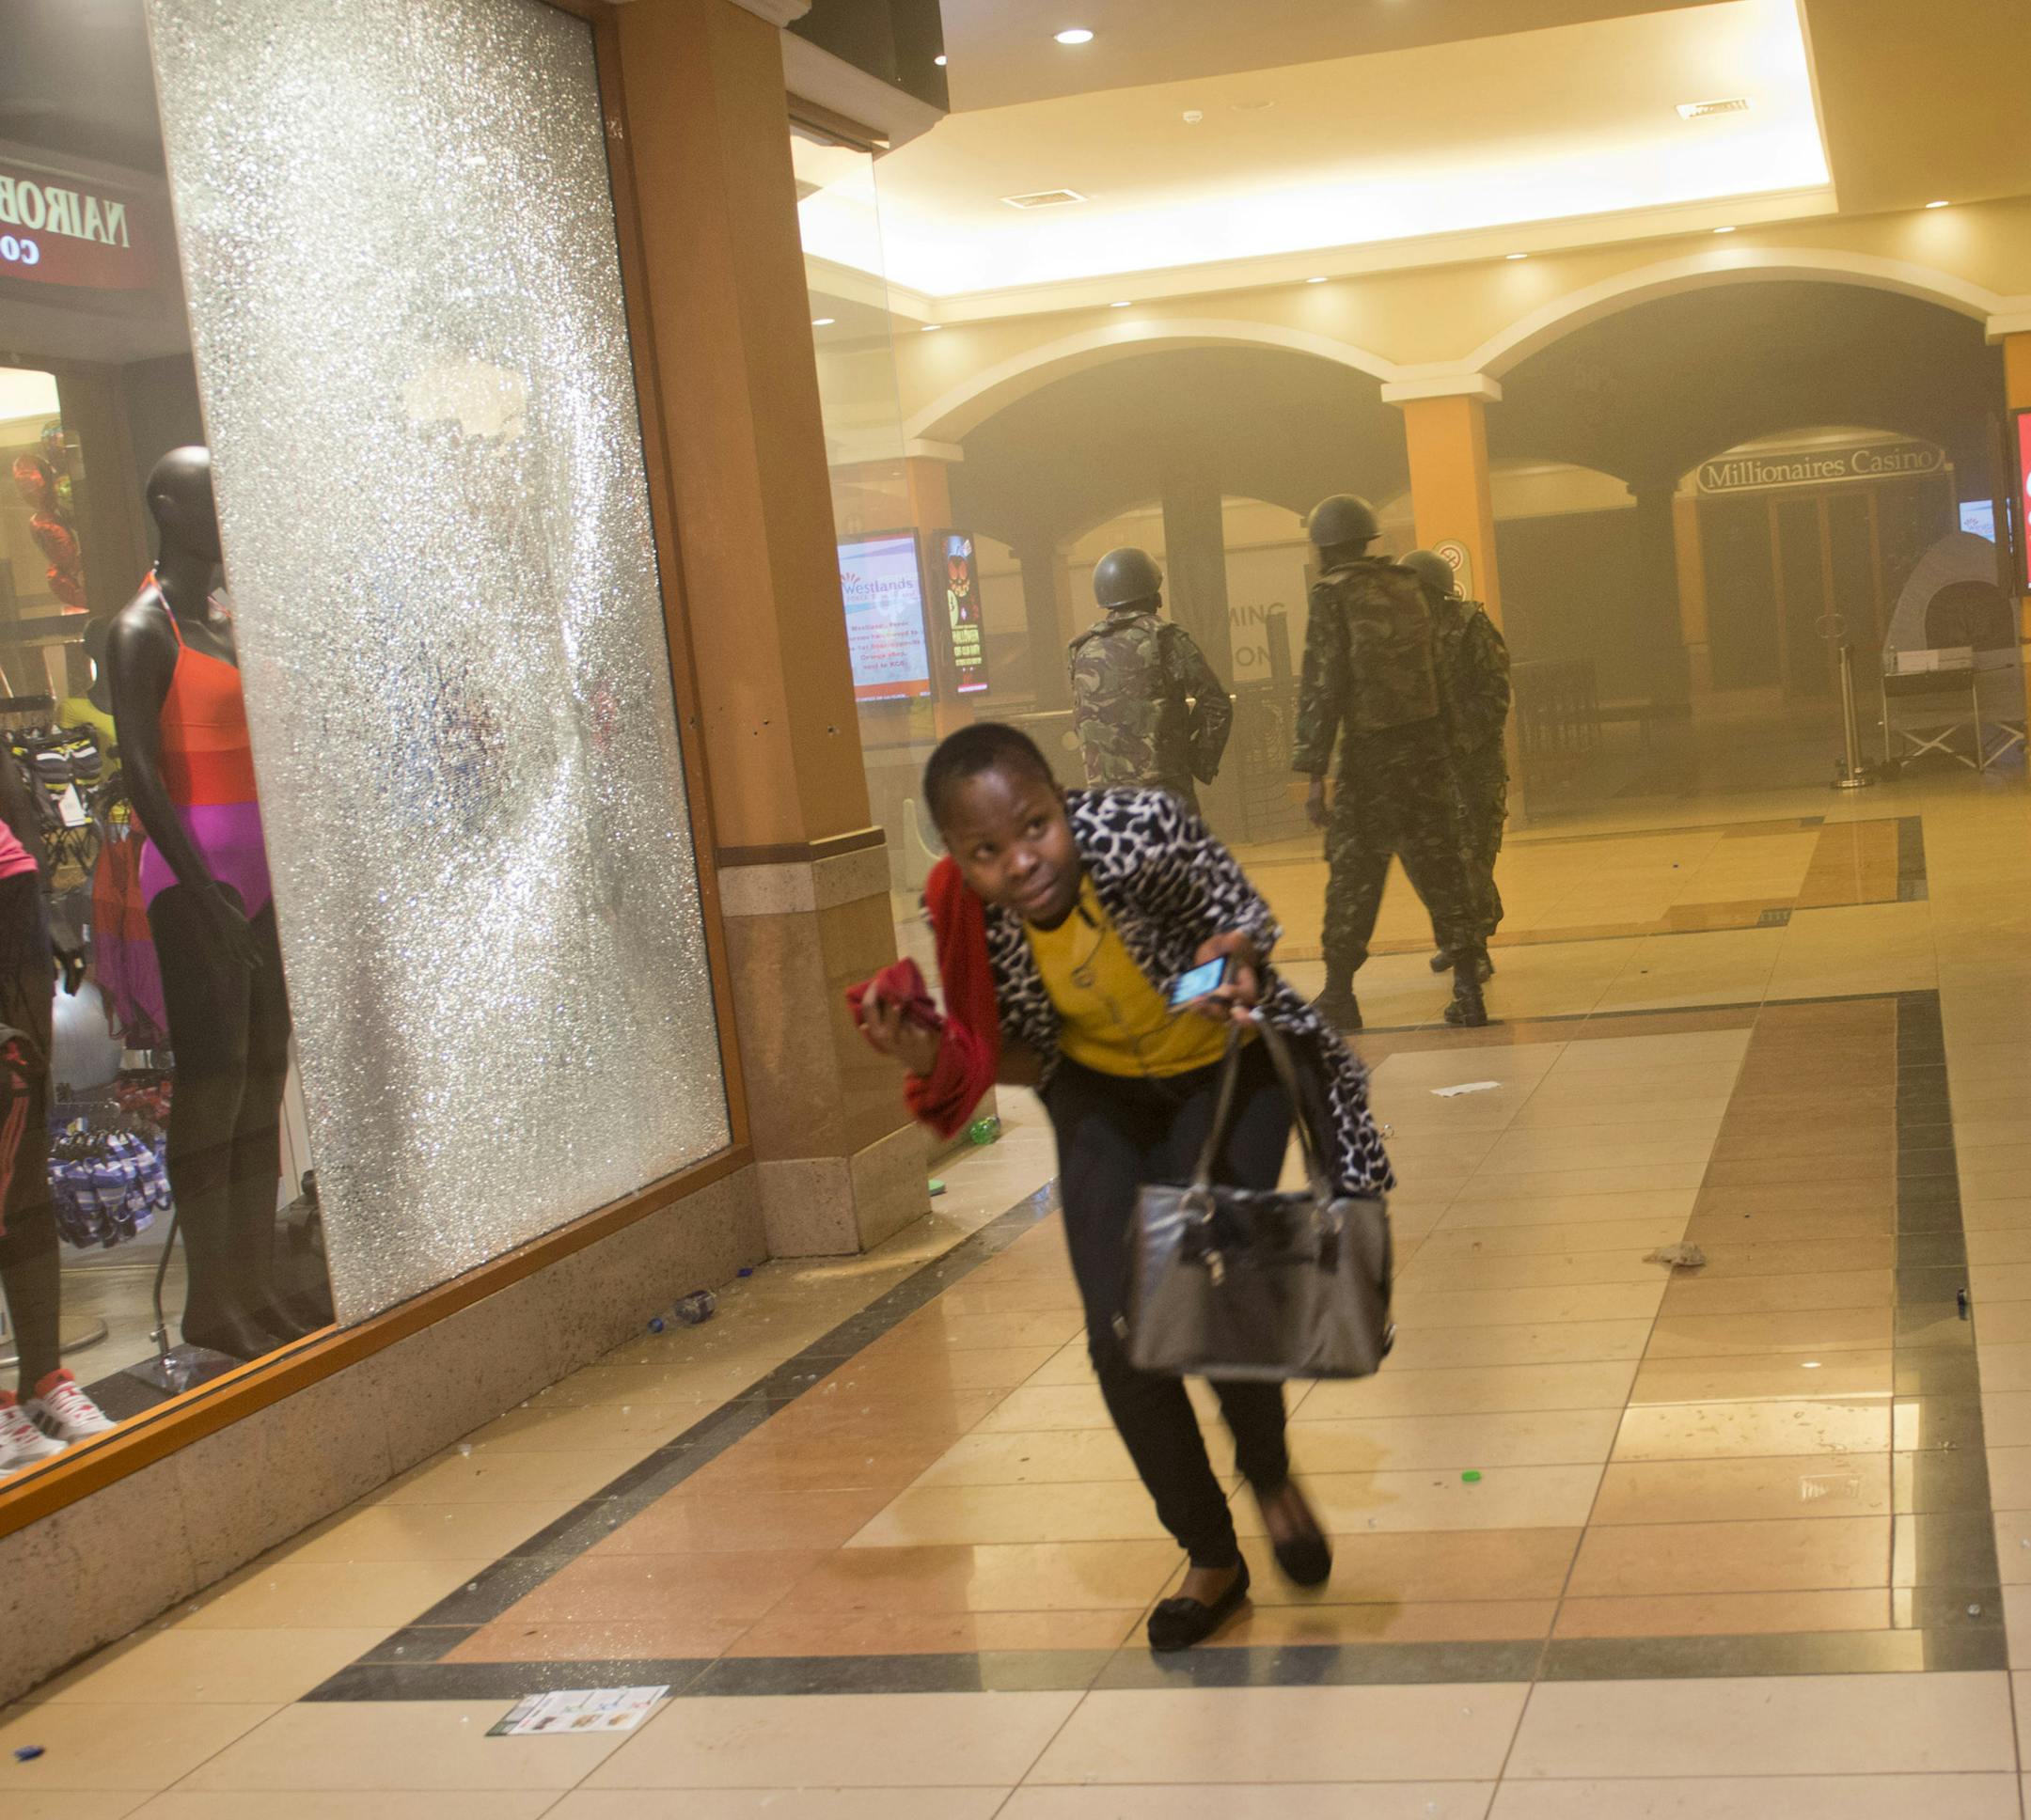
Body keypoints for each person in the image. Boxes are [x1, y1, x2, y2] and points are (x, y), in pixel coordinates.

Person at [857, 723, 1393, 1650]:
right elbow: (1019, 1054)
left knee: (1207, 1276)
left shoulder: (1144, 829)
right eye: (987, 852)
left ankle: (1267, 1473)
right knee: (1122, 1334)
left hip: (1229, 1066)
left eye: (1035, 826)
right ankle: (1211, 1554)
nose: (1021, 862)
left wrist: (1225, 964)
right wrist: (933, 1051)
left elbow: (1248, 929)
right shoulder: (968, 915)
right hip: (1101, 1091)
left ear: (1061, 801)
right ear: (956, 860)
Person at [1292, 495, 1488, 1030]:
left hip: (1370, 759)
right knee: (1443, 867)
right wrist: (1449, 749)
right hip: (1426, 754)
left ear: (1326, 548)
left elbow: (1322, 685)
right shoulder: (1409, 585)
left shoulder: (1331, 595)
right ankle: (1468, 989)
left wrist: (1315, 775)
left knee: (1354, 873)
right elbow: (1440, 671)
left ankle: (1338, 993)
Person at [1402, 549, 1510, 979]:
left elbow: (1496, 694)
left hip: (1473, 765)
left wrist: (1459, 739)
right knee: (1428, 858)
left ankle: (1475, 946)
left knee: (1471, 855)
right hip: (1426, 764)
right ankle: (1456, 936)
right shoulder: (1402, 634)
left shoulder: (1470, 626)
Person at [1068, 546, 1233, 814]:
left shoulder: (1082, 649)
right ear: (1152, 594)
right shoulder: (1165, 639)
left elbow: (1083, 719)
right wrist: (1196, 761)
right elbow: (1217, 705)